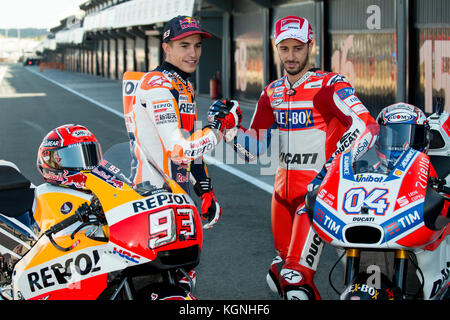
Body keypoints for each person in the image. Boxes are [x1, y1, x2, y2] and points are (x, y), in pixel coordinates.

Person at [209, 16, 378, 299]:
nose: (291, 56)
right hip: (281, 197)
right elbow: (254, 150)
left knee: (295, 279)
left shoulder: (330, 85)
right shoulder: (272, 93)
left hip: (315, 197)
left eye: (298, 48)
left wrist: (332, 169)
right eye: (284, 48)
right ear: (276, 48)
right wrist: (229, 130)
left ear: (310, 45)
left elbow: (366, 126)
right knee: (278, 276)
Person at [124, 15, 241, 293]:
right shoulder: (157, 84)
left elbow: (191, 145)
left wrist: (205, 189)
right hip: (150, 195)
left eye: (197, 46)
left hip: (178, 194)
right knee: (157, 283)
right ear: (167, 47)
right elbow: (179, 148)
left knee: (182, 282)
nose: (193, 53)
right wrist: (218, 128)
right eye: (184, 45)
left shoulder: (185, 86)